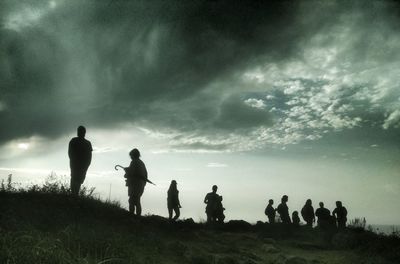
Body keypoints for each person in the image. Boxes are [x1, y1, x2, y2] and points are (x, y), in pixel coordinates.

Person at [68, 126, 92, 196]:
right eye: (79, 131)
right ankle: (74, 195)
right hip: (75, 165)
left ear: (84, 133)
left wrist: (86, 166)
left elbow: (89, 157)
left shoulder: (87, 143)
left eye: (81, 131)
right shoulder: (74, 141)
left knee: (79, 180)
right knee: (75, 178)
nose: (79, 133)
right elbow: (70, 153)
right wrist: (73, 162)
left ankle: (75, 195)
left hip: (82, 166)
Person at [125, 148, 148, 216]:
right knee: (137, 200)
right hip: (141, 185)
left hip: (135, 184)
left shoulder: (134, 162)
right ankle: (137, 216)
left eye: (131, 156)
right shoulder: (141, 163)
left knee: (132, 200)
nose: (130, 157)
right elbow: (145, 174)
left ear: (133, 155)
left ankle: (132, 215)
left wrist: (126, 172)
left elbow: (131, 172)